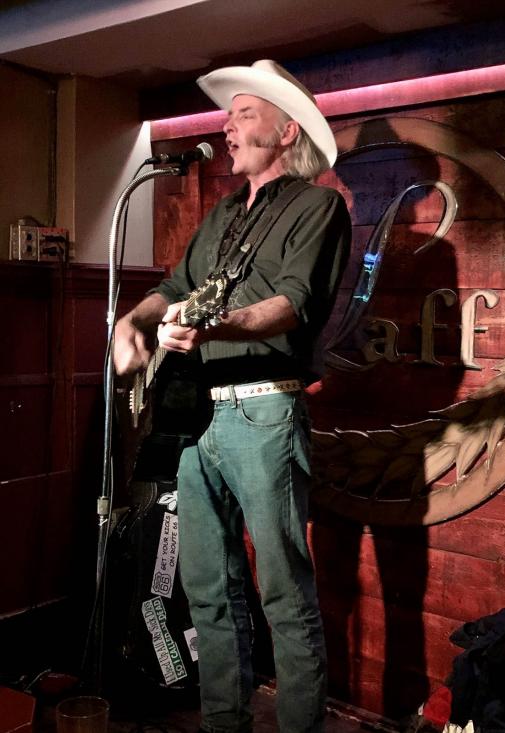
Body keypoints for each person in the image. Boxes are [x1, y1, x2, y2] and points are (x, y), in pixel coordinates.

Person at [114, 59, 351, 733]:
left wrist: (213, 323)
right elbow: (173, 286)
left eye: (244, 114)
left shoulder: (318, 206)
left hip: (264, 409)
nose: (227, 126)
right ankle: (224, 723)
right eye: (229, 115)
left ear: (286, 131)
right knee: (207, 588)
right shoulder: (221, 213)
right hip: (195, 413)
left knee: (283, 592)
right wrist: (134, 322)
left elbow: (290, 304)